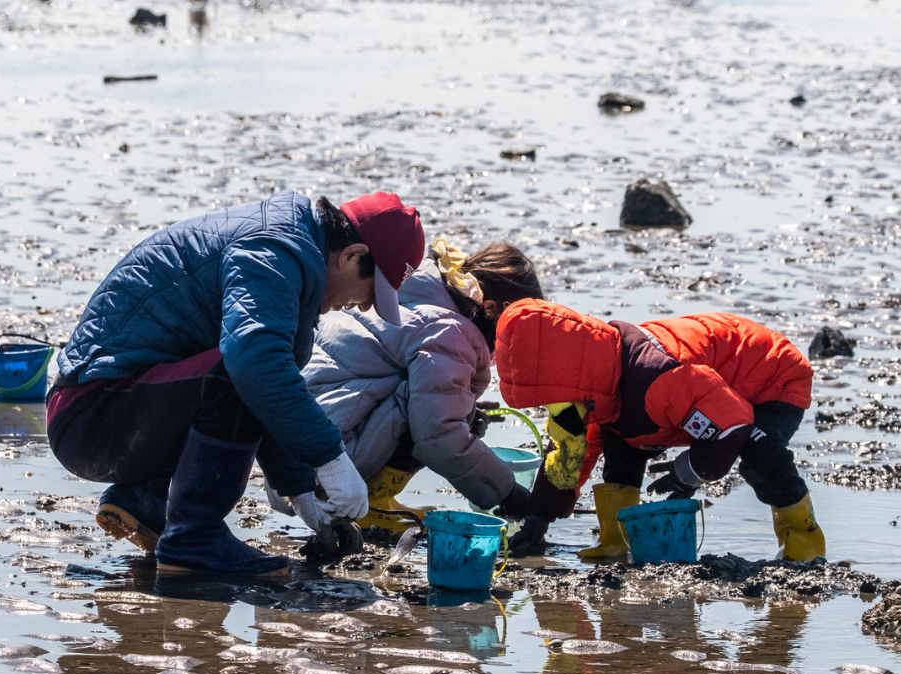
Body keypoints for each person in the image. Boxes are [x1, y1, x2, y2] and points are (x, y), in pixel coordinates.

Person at [47, 191, 426, 575]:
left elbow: (269, 389)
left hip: (116, 411)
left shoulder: (292, 246)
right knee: (247, 367)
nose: (363, 306)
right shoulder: (273, 251)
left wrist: (302, 490)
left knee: (256, 368)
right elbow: (255, 368)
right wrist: (331, 459)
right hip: (92, 419)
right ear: (351, 255)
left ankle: (145, 498)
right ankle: (193, 539)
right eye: (371, 291)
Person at [494, 300, 824, 562]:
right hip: (701, 395)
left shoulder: (657, 376)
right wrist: (539, 517)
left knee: (758, 455)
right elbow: (573, 451)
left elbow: (732, 422)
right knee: (620, 441)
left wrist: (691, 471)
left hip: (767, 377)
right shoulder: (592, 393)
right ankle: (617, 540)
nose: (558, 411)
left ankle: (803, 542)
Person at [290, 239, 544, 534]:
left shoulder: (422, 285)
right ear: (489, 309)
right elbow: (439, 434)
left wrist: (465, 406)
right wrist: (508, 493)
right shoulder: (450, 331)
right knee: (435, 418)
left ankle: (379, 495)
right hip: (327, 461)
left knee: (440, 406)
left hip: (297, 441)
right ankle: (370, 502)